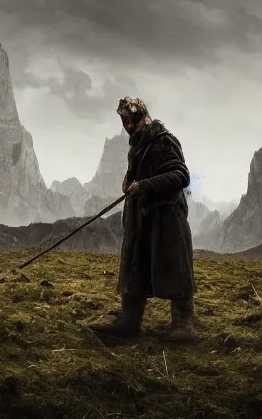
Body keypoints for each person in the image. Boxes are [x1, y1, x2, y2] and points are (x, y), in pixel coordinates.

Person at [87, 96, 198, 343]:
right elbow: (141, 174)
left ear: (141, 117)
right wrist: (129, 181)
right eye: (123, 121)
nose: (126, 126)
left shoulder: (163, 141)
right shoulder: (138, 145)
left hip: (167, 218)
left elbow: (181, 175)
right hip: (142, 218)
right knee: (135, 264)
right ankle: (130, 321)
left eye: (129, 120)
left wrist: (144, 185)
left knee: (174, 265)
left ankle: (183, 325)